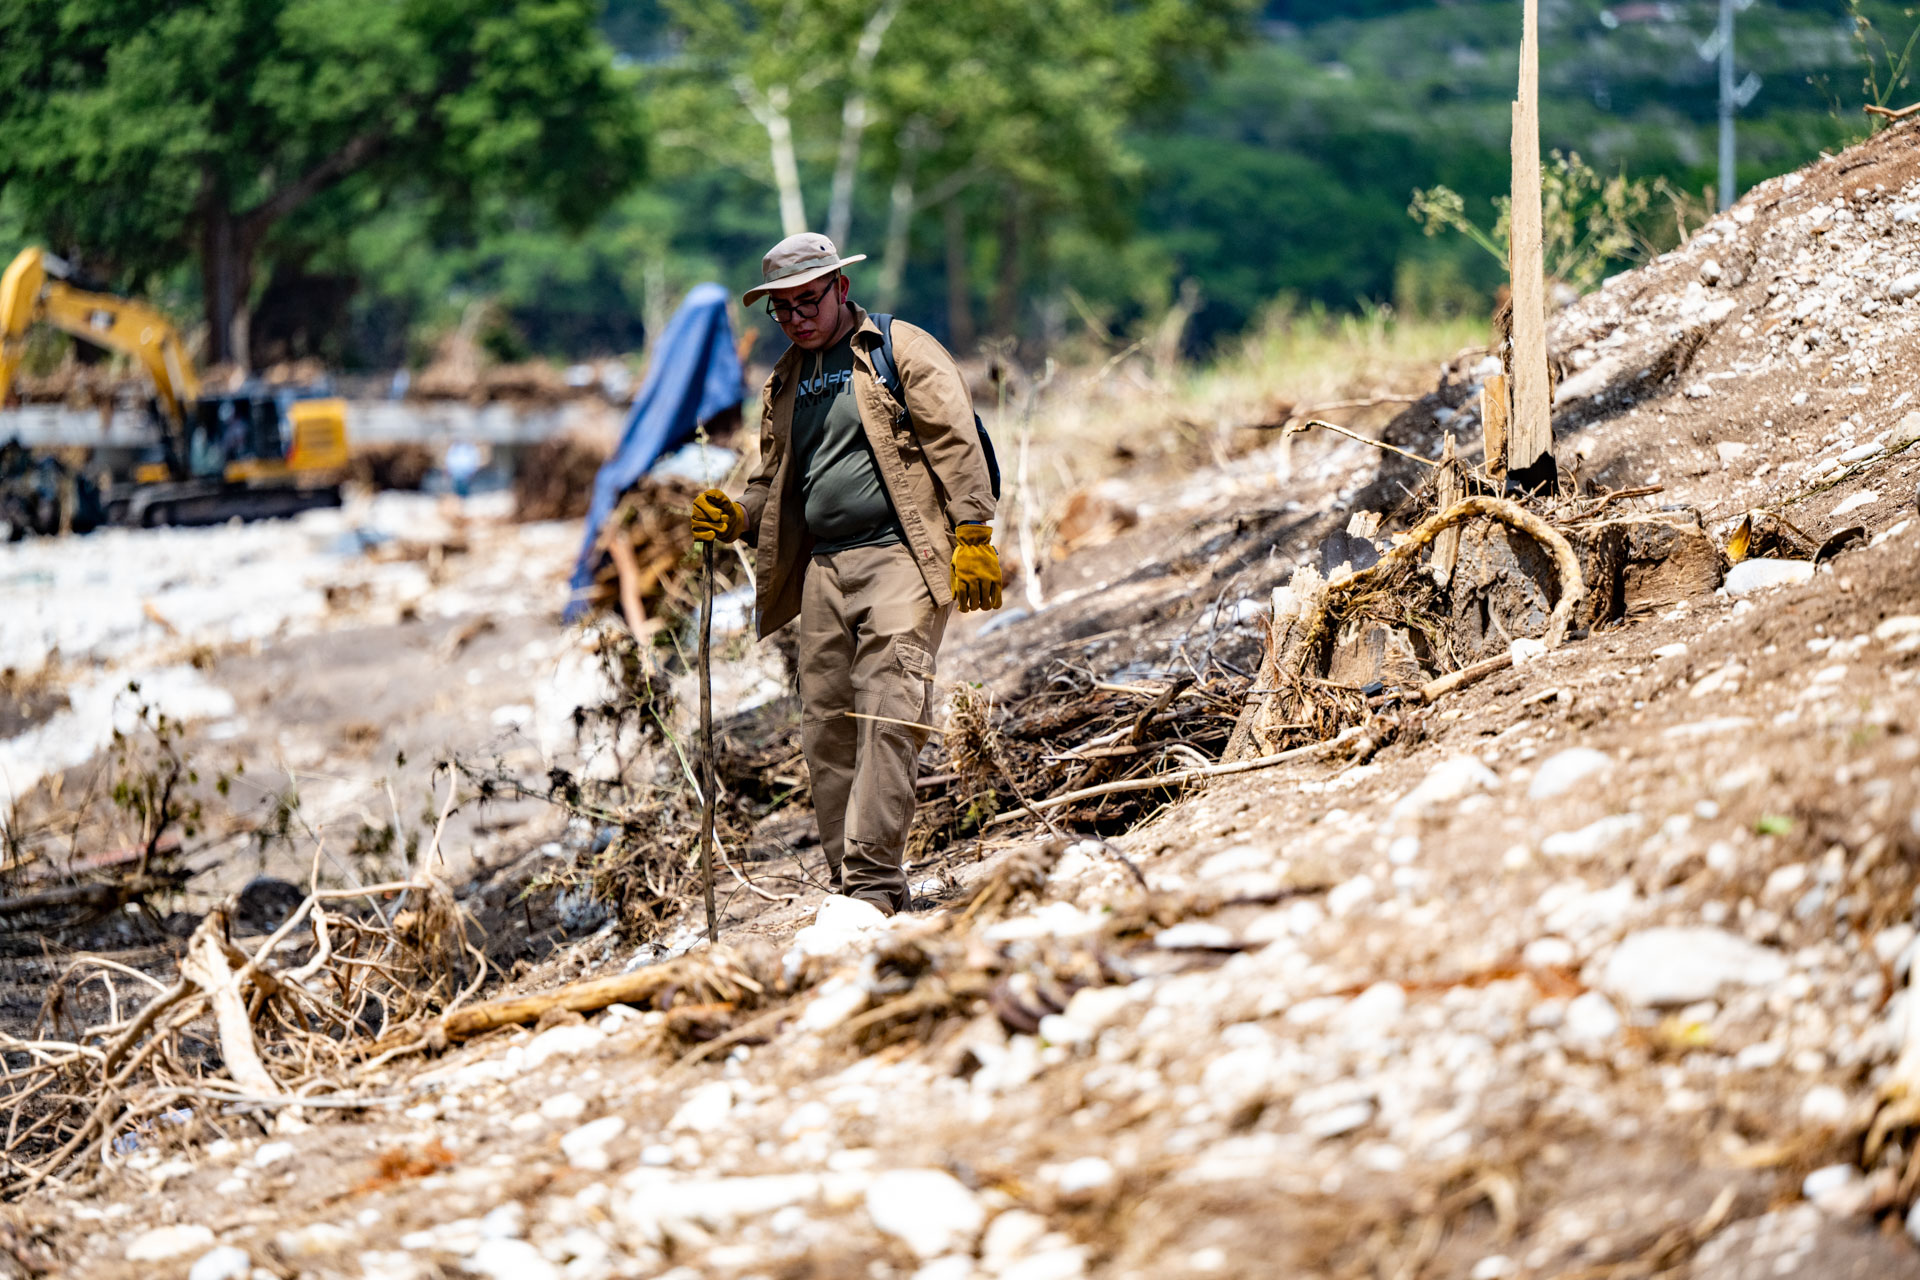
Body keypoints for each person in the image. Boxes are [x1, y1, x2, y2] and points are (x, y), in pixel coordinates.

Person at [690, 232, 1002, 915]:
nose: (797, 317)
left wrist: (974, 535)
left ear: (841, 289)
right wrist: (736, 517)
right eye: (783, 309)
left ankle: (871, 884)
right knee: (826, 730)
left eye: (808, 301)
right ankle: (851, 890)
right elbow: (771, 481)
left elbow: (956, 441)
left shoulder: (899, 350)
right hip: (824, 572)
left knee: (890, 714)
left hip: (902, 557)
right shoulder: (786, 380)